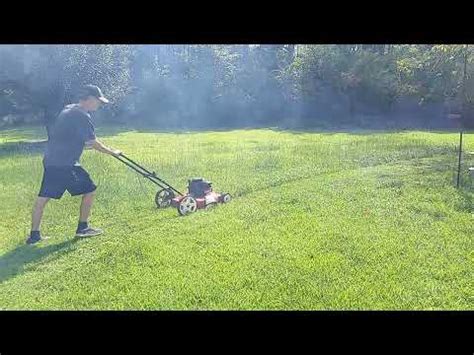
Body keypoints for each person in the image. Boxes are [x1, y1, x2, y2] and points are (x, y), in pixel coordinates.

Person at [26, 85, 121, 245]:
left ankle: (34, 236)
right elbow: (92, 142)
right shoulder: (82, 116)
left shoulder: (69, 109)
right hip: (66, 163)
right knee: (90, 190)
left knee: (43, 198)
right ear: (89, 99)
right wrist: (112, 152)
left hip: (51, 160)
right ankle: (83, 228)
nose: (99, 104)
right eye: (98, 101)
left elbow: (67, 135)